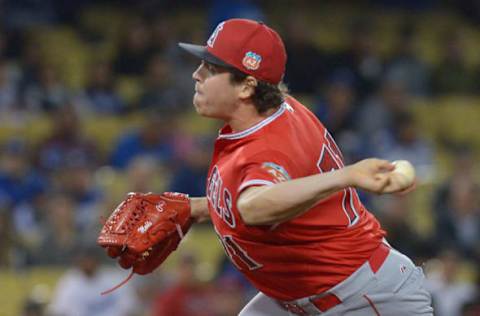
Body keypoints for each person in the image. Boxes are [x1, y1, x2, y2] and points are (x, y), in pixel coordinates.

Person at [175, 18, 434, 315]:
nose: (196, 74)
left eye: (211, 69)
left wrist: (345, 175)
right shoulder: (271, 112)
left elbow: (253, 208)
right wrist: (195, 209)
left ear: (246, 87)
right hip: (310, 294)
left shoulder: (266, 145)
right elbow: (259, 199)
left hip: (365, 298)